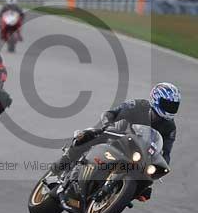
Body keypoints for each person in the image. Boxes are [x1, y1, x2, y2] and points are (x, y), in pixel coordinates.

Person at [52, 82, 181, 202]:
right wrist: (106, 126)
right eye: (167, 104)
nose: (170, 108)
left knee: (145, 183)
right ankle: (61, 166)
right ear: (156, 99)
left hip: (138, 153)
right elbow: (110, 113)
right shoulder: (138, 105)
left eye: (174, 106)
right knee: (86, 136)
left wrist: (159, 168)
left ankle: (116, 194)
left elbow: (166, 153)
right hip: (116, 136)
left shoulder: (170, 127)